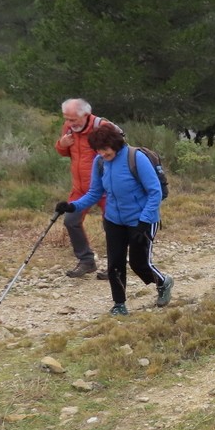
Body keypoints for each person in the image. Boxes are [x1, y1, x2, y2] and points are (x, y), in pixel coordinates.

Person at [54, 126, 172, 316]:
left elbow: (155, 191)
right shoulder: (100, 162)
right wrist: (72, 206)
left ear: (115, 144)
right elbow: (94, 193)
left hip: (141, 221)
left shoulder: (136, 158)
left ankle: (163, 282)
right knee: (115, 264)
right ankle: (119, 304)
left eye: (105, 149)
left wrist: (145, 220)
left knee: (139, 263)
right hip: (114, 220)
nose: (102, 153)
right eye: (98, 150)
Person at [55, 98, 121, 279]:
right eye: (66, 118)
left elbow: (119, 153)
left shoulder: (103, 127)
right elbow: (62, 151)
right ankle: (86, 261)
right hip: (80, 187)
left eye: (73, 119)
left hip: (105, 188)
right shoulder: (68, 128)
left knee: (112, 226)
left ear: (85, 115)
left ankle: (115, 266)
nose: (69, 123)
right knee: (71, 221)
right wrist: (62, 144)